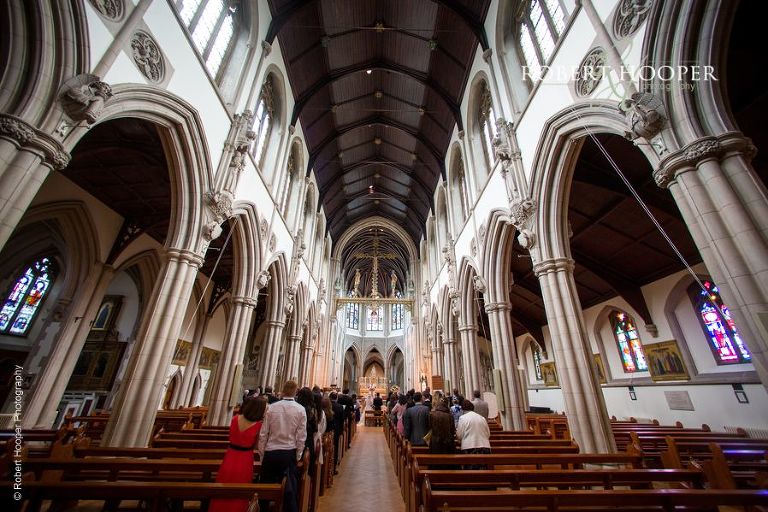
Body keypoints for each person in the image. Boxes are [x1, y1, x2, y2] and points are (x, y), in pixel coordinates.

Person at [208, 397, 266, 512]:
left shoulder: (234, 419)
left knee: (223, 485)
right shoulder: (258, 425)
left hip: (230, 456)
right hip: (245, 459)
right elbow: (257, 445)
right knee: (240, 489)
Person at [257, 380, 306, 512]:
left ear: (283, 390)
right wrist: (298, 455)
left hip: (271, 452)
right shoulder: (300, 409)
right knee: (289, 492)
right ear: (296, 392)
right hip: (289, 452)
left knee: (264, 492)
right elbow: (301, 437)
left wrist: (262, 456)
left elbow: (263, 435)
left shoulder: (271, 407)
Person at [455, 399, 491, 469]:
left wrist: (459, 439)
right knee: (485, 473)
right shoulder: (482, 418)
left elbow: (459, 435)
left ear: (462, 409)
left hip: (469, 447)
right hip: (484, 447)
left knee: (471, 473)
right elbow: (488, 434)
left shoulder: (462, 418)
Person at [329, 391, 345, 472]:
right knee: (335, 447)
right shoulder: (340, 407)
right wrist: (342, 430)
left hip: (328, 430)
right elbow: (342, 419)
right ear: (337, 398)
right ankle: (334, 466)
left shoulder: (326, 405)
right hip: (337, 429)